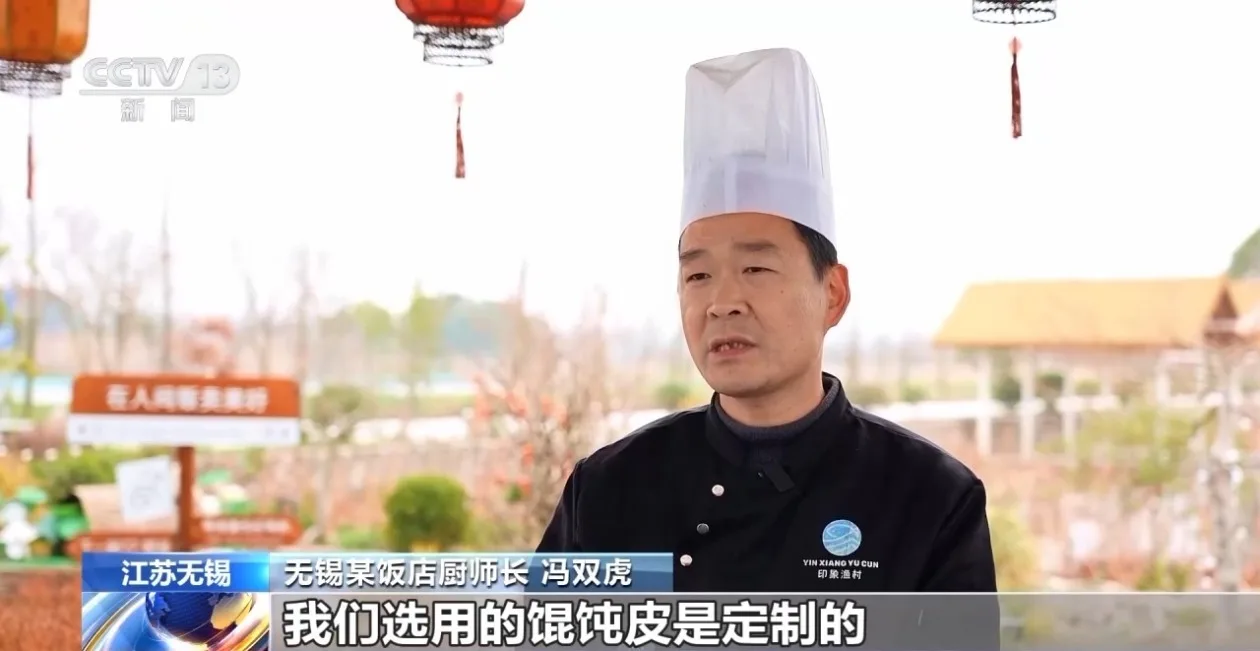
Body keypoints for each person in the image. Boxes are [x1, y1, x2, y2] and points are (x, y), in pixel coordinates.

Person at [536, 47, 997, 615]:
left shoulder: (930, 497)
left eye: (755, 268)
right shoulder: (607, 487)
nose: (722, 303)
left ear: (833, 293)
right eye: (698, 275)